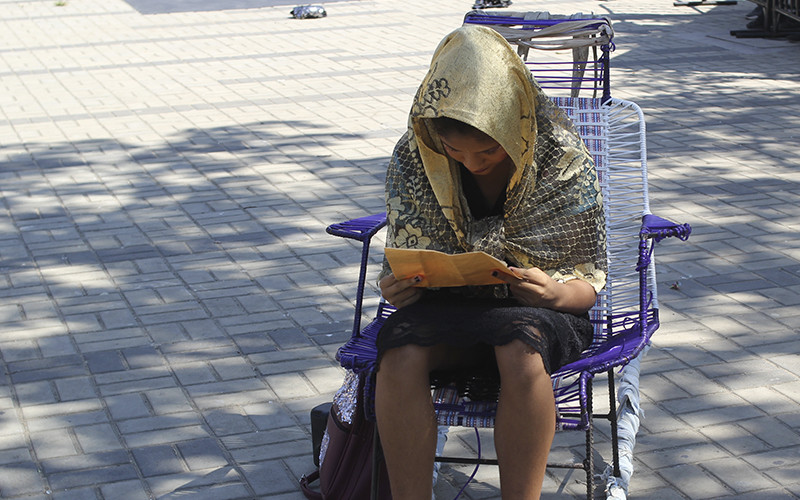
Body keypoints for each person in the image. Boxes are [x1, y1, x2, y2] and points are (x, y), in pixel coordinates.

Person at [374, 25, 607, 500]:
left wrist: (556, 292)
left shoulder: (560, 159)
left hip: (541, 314)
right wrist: (397, 287)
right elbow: (403, 255)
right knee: (398, 352)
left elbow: (588, 284)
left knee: (518, 349)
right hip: (448, 309)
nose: (472, 162)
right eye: (454, 152)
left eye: (487, 149)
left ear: (514, 126)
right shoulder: (416, 155)